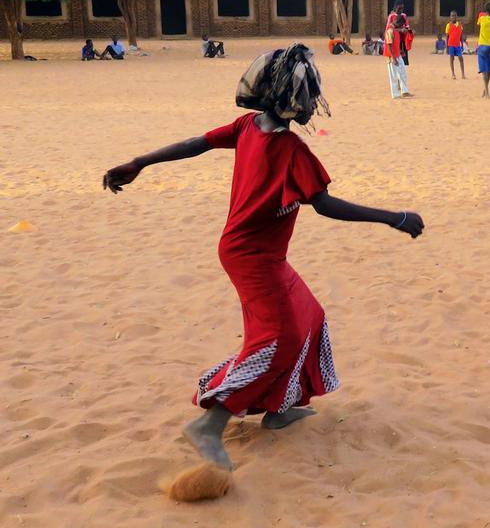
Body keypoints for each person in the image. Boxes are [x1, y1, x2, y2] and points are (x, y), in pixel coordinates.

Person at [101, 43, 425, 471]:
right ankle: (210, 425)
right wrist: (395, 217)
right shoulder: (292, 151)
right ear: (293, 100)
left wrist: (141, 162)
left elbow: (197, 143)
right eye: (310, 96)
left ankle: (279, 408)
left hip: (257, 253)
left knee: (308, 316)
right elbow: (324, 205)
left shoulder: (249, 126)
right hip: (252, 256)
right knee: (276, 339)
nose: (314, 104)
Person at [385, 14, 413, 99]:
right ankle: (395, 94)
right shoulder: (390, 30)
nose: (401, 27)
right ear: (397, 22)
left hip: (397, 54)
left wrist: (400, 51)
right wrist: (393, 58)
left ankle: (404, 91)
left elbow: (395, 43)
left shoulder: (395, 29)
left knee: (402, 71)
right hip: (391, 56)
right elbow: (389, 45)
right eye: (401, 25)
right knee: (393, 75)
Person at [387, 0, 412, 66]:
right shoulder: (391, 16)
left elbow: (407, 26)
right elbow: (389, 28)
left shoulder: (404, 15)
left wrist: (409, 31)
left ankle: (403, 68)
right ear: (395, 7)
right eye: (399, 8)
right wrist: (399, 30)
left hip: (403, 38)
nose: (401, 10)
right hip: (395, 39)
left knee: (403, 57)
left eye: (402, 8)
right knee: (396, 54)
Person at [445, 11, 466, 79]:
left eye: (455, 16)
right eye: (452, 16)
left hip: (457, 45)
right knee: (452, 58)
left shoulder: (460, 25)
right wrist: (447, 47)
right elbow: (447, 37)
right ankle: (453, 74)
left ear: (457, 17)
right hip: (451, 44)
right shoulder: (448, 25)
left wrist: (462, 45)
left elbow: (461, 36)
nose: (453, 17)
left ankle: (463, 74)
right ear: (450, 17)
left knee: (461, 58)